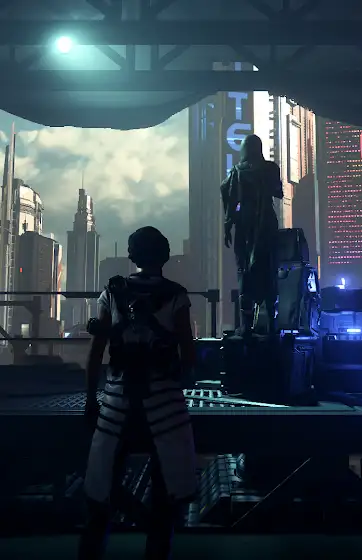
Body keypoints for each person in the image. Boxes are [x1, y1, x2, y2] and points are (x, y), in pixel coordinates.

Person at [78, 226, 197, 560]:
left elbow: (96, 353)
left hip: (116, 404)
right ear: (165, 255)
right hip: (166, 406)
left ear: (132, 255)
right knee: (165, 500)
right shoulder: (176, 295)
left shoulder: (113, 292)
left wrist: (90, 400)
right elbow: (188, 357)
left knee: (99, 497)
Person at [221, 134, 283, 337]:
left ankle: (247, 326)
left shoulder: (236, 171)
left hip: (245, 226)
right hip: (266, 225)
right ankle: (272, 324)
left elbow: (228, 196)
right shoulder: (270, 168)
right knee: (269, 272)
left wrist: (227, 225)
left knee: (245, 272)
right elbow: (278, 191)